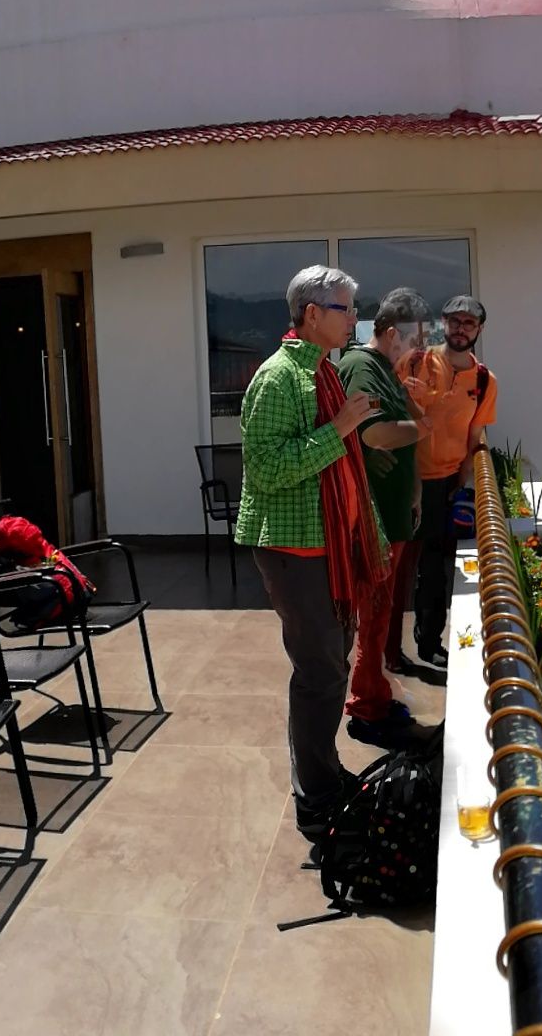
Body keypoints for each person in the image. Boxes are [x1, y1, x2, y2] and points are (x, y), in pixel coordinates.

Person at [236, 266, 388, 830]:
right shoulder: (279, 378)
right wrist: (342, 426)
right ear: (312, 314)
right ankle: (317, 796)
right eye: (346, 308)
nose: (354, 317)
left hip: (326, 545)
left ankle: (322, 772)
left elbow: (343, 468)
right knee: (320, 671)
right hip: (293, 548)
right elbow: (268, 469)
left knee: (330, 664)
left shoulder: (321, 372)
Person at [339, 290, 434, 742]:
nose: (420, 348)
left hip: (393, 512)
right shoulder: (361, 367)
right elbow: (375, 435)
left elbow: (398, 435)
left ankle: (372, 692)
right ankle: (366, 705)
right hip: (373, 517)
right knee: (374, 613)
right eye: (416, 339)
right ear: (393, 333)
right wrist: (423, 427)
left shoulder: (386, 372)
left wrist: (414, 489)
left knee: (380, 611)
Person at [397, 294, 497, 680]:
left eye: (468, 323)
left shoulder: (485, 381)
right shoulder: (418, 361)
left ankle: (428, 642)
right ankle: (387, 650)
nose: (460, 329)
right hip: (408, 479)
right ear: (443, 323)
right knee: (399, 567)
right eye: (454, 321)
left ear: (479, 330)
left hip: (446, 483)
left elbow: (476, 433)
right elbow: (391, 410)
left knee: (437, 567)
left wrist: (468, 484)